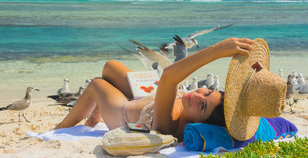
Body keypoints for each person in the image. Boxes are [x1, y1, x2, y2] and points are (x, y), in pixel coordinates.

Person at [53, 37, 255, 141]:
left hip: (122, 112)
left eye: (202, 106)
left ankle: (62, 127)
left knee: (96, 84)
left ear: (198, 122)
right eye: (208, 92)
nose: (198, 95)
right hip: (145, 96)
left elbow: (168, 76)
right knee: (110, 65)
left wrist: (217, 51)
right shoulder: (188, 106)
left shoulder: (171, 126)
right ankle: (93, 116)